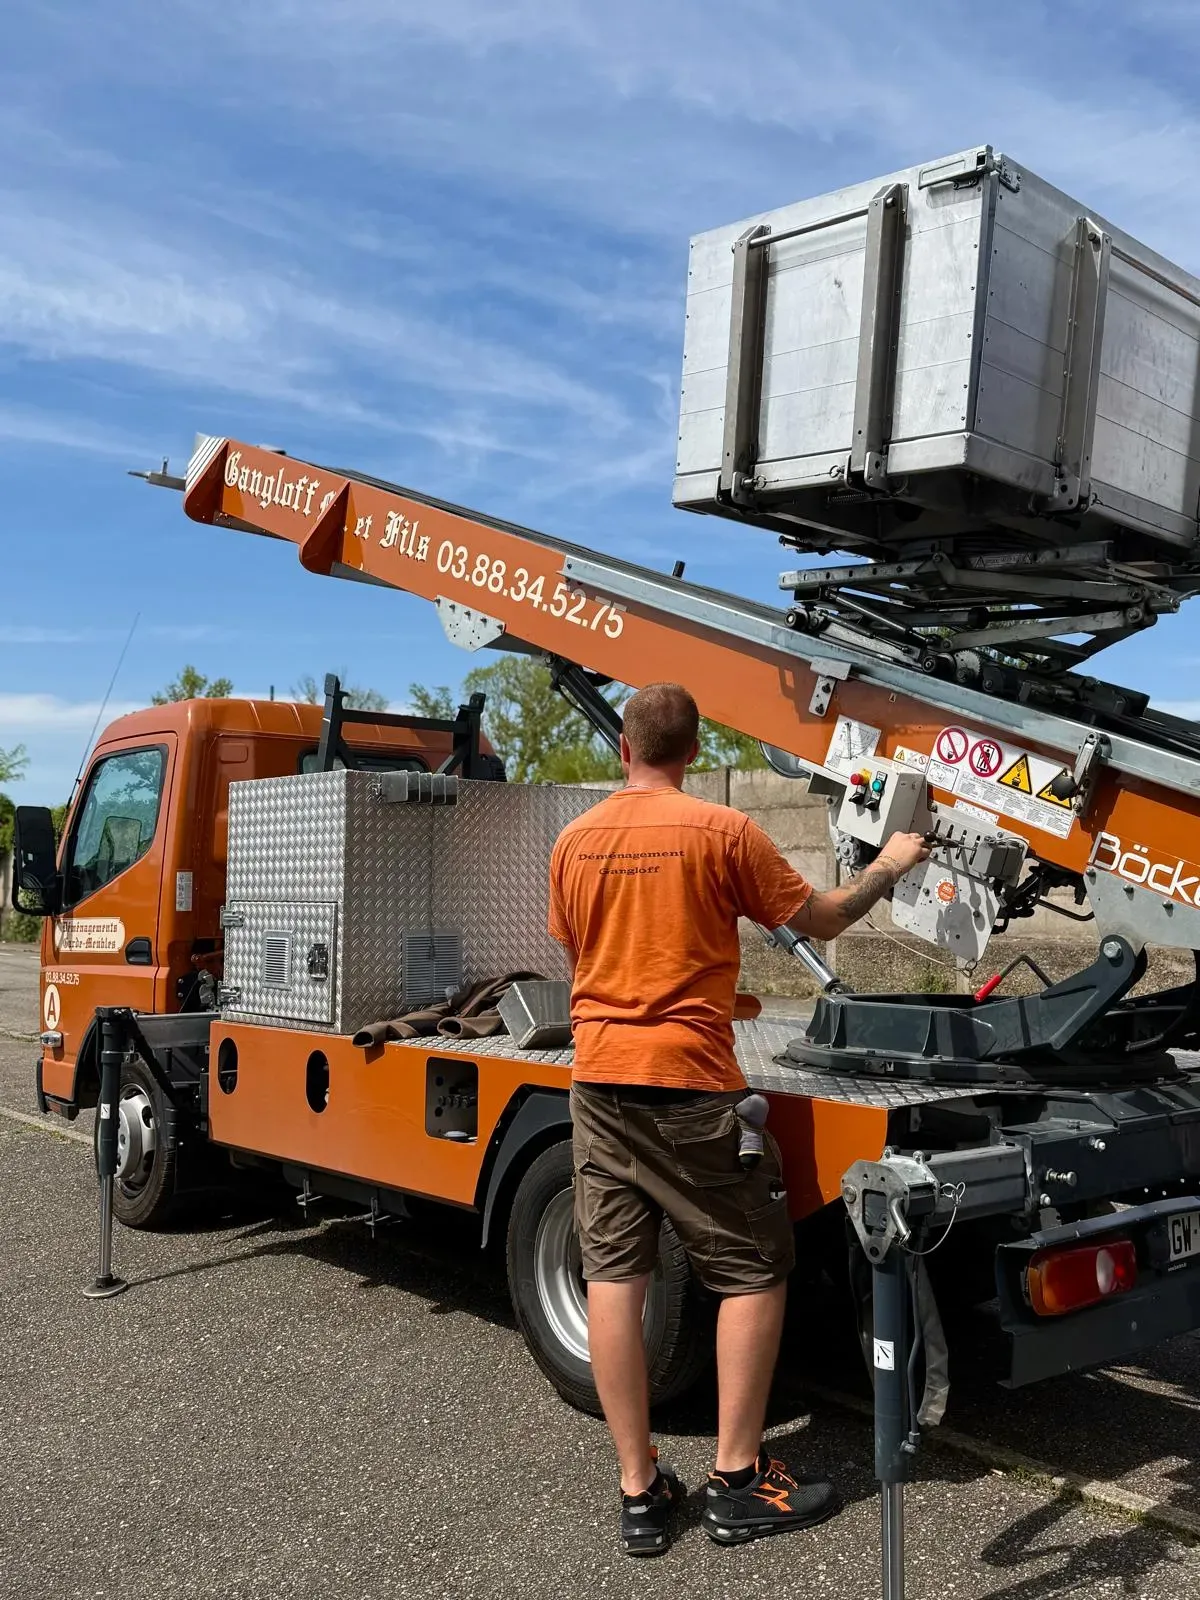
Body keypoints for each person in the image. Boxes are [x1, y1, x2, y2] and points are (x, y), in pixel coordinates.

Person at [547, 681, 931, 1557]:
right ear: (693, 751)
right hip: (690, 1084)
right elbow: (823, 919)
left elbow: (578, 949)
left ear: (625, 750)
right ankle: (737, 1479)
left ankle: (640, 1490)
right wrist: (890, 865)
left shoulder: (573, 840)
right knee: (755, 1268)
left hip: (599, 1082)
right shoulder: (724, 831)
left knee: (613, 1276)